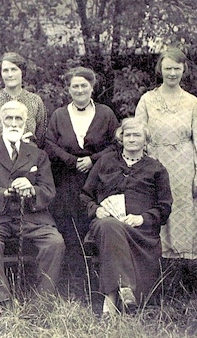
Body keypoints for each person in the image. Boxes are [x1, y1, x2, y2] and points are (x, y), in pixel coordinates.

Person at [0, 100, 65, 306]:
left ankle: (43, 300)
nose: (14, 123)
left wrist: (32, 190)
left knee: (55, 242)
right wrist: (6, 192)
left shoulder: (38, 154)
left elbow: (48, 190)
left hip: (32, 217)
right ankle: (0, 298)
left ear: (26, 123)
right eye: (9, 119)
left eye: (19, 119)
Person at [80, 117, 172, 315]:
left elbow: (164, 208)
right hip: (104, 226)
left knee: (112, 230)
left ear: (145, 140)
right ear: (121, 138)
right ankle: (121, 291)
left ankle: (111, 301)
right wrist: (96, 209)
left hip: (140, 232)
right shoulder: (106, 161)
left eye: (137, 135)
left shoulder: (156, 169)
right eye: (127, 135)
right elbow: (85, 195)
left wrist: (143, 218)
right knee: (109, 225)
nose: (131, 139)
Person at [135, 47, 197, 288]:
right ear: (160, 70)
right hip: (156, 162)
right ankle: (158, 275)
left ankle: (187, 275)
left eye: (177, 68)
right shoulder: (147, 100)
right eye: (168, 68)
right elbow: (137, 134)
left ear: (183, 70)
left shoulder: (192, 102)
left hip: (184, 164)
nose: (172, 73)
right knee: (157, 209)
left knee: (183, 211)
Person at [46, 66, 119, 251]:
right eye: (75, 86)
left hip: (97, 179)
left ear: (92, 87)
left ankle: (93, 269)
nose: (80, 90)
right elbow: (50, 143)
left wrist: (92, 160)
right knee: (67, 224)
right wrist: (72, 161)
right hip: (66, 179)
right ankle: (71, 269)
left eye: (84, 85)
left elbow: (115, 144)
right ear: (69, 89)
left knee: (94, 221)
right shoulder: (59, 115)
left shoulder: (105, 113)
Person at [0, 52, 47, 147]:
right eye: (5, 70)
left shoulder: (35, 101)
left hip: (28, 157)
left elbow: (40, 137)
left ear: (22, 71)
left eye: (14, 69)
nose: (10, 74)